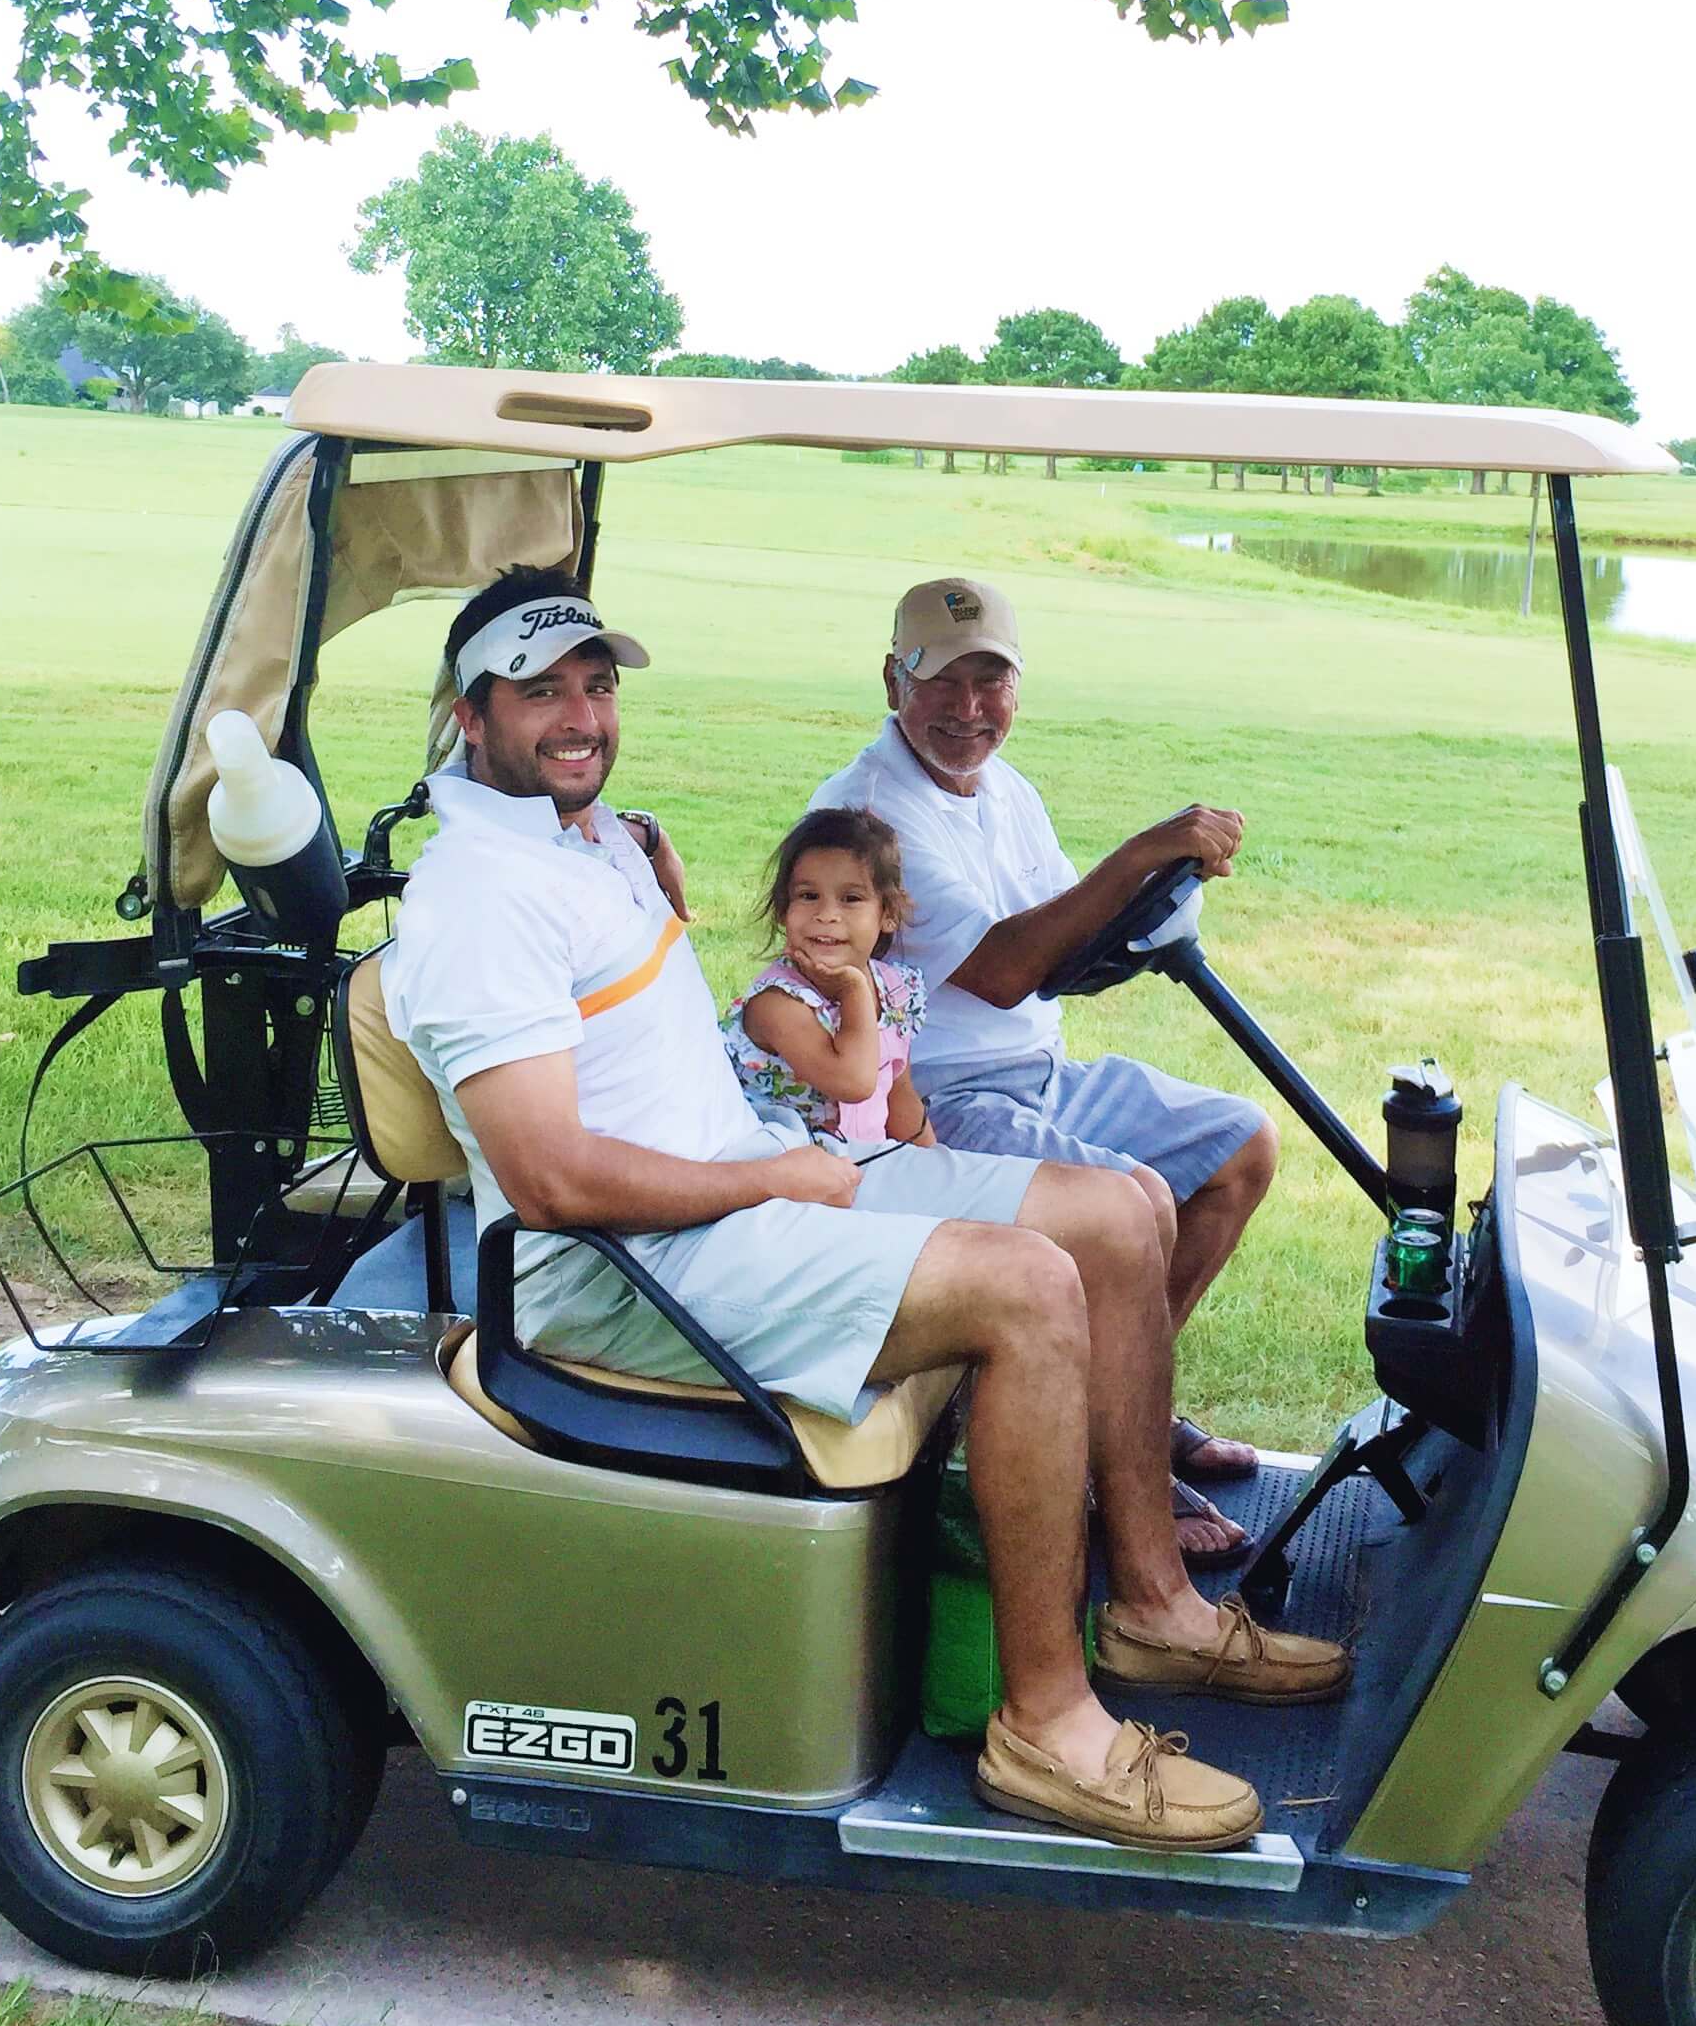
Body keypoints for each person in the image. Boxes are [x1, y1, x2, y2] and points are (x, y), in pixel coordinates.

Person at [386, 566, 1348, 1855]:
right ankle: (1047, 1730)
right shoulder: (474, 899)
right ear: (467, 712)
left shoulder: (585, 835)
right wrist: (772, 1176)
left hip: (750, 1181)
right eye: (540, 692)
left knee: (1118, 1221)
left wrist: (648, 875)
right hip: (630, 1265)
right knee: (1028, 1283)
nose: (581, 716)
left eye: (597, 686)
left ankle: (1155, 1611)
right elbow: (553, 1181)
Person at [811, 576, 1279, 1558]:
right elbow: (1009, 964)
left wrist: (1151, 891)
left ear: (1017, 688)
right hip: (932, 1103)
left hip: (1038, 1070)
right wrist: (1148, 847)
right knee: (1136, 1199)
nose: (968, 711)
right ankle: (1119, 1475)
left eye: (991, 683)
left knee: (1240, 1146)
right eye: (941, 683)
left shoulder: (1005, 791)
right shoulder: (871, 816)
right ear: (893, 680)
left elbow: (1068, 939)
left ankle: (1127, 1416)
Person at [723, 807, 932, 1148]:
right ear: (782, 911)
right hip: (782, 1176)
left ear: (888, 914)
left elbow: (900, 1095)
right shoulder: (779, 1005)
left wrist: (934, 1167)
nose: (827, 915)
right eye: (808, 896)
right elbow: (854, 1082)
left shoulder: (895, 991)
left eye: (851, 899)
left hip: (862, 1165)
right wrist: (853, 992)